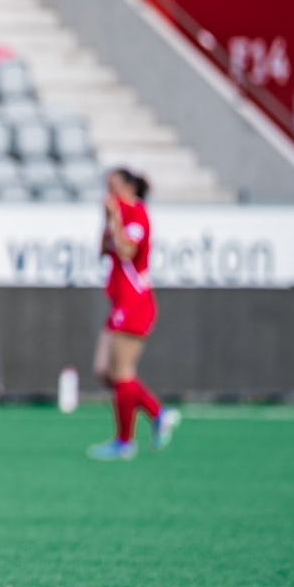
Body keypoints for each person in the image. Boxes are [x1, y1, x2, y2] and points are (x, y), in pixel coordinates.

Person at [86, 167, 181, 461]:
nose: (108, 193)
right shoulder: (117, 214)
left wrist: (114, 218)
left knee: (122, 372)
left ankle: (125, 441)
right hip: (119, 301)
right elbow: (104, 251)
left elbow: (127, 251)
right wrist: (108, 220)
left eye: (113, 186)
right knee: (104, 370)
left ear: (128, 187)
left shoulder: (136, 214)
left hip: (135, 301)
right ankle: (157, 412)